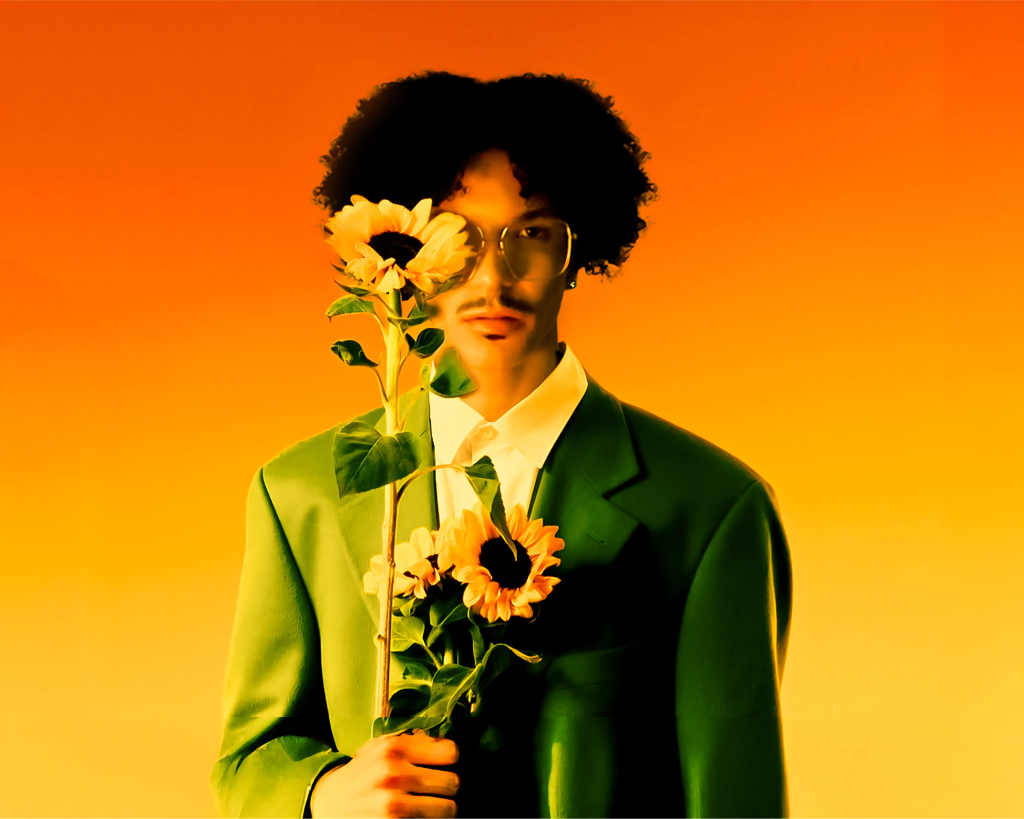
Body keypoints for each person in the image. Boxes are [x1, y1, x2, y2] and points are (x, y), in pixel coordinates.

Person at [211, 71, 793, 818]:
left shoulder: (713, 508)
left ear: (581, 250)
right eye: (461, 237)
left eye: (534, 235)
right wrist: (324, 793)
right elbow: (245, 761)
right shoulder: (301, 495)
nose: (495, 276)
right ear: (405, 255)